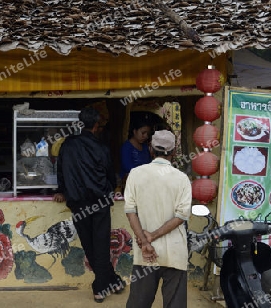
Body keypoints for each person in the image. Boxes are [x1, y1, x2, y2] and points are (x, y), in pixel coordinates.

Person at [53, 107, 124, 303]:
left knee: (89, 245)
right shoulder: (102, 148)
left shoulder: (67, 145)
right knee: (100, 245)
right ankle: (101, 287)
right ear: (96, 125)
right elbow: (110, 174)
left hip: (77, 202)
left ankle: (112, 281)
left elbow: (61, 171)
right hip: (99, 202)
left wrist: (61, 190)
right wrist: (111, 188)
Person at [123, 130, 192, 308]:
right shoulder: (182, 178)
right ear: (174, 152)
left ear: (150, 149)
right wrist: (152, 236)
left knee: (139, 302)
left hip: (145, 251)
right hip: (174, 252)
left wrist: (146, 241)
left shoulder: (136, 174)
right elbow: (181, 216)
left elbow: (130, 211)